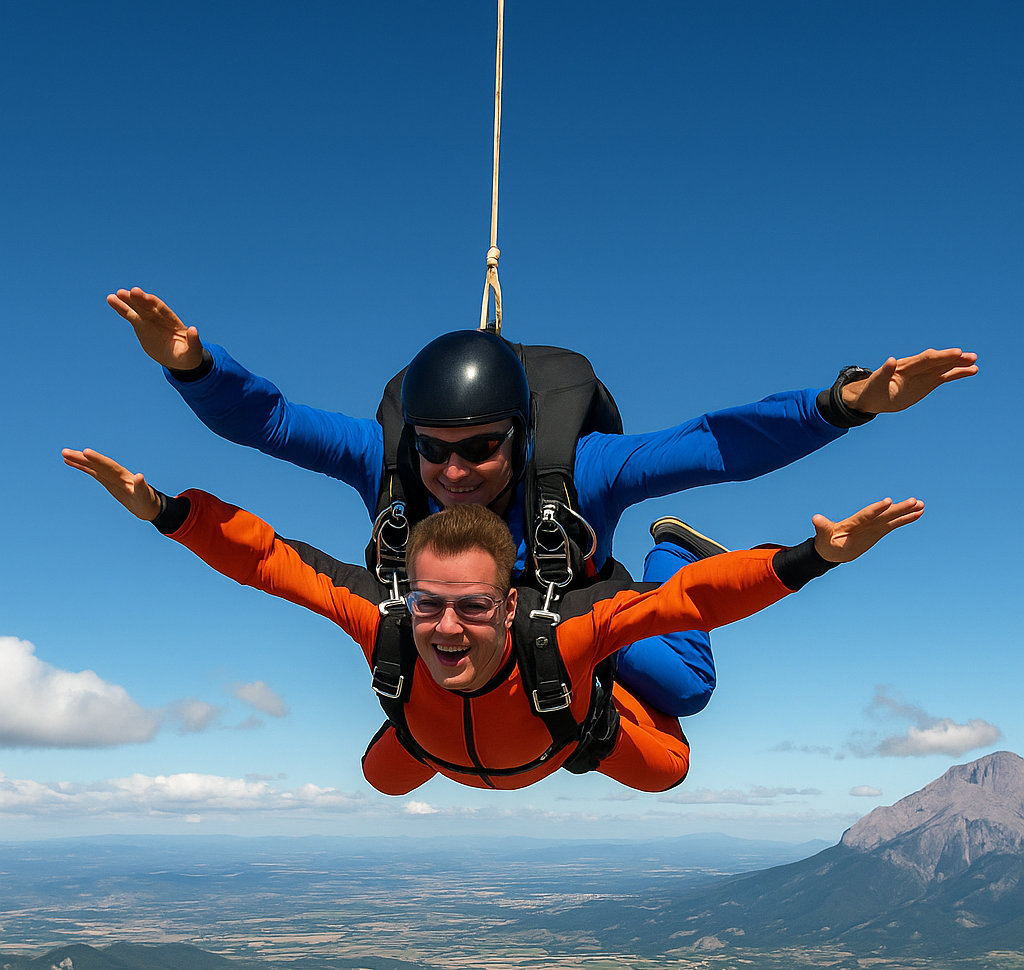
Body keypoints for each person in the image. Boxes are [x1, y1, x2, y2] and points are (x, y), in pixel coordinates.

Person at [106, 287, 974, 716]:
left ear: (520, 436)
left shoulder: (582, 468)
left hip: (579, 595)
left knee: (682, 690)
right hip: (479, 613)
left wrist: (844, 404)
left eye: (482, 448)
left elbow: (718, 445)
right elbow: (273, 423)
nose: (453, 471)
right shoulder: (384, 459)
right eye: (435, 451)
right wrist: (193, 365)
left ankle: (677, 549)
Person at [62, 445, 924, 796]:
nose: (444, 629)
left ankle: (672, 543)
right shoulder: (387, 621)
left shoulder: (566, 631)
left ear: (509, 603)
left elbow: (693, 604)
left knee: (670, 761)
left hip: (561, 723)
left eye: (472, 608)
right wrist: (166, 511)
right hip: (450, 741)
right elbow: (267, 561)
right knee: (383, 778)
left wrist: (814, 558)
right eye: (429, 603)